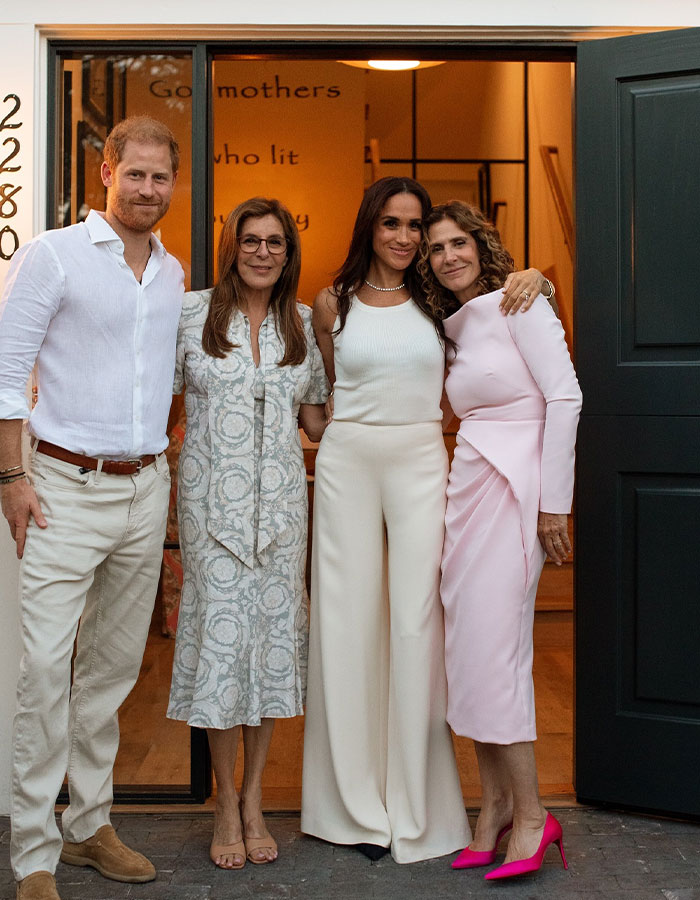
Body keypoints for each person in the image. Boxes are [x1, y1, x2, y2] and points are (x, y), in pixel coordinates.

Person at [301, 176, 545, 863]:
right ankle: (348, 806)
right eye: (392, 225)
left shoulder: (438, 302)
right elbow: (318, 400)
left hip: (420, 463)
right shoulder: (330, 304)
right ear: (368, 229)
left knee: (416, 624)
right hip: (346, 462)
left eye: (416, 226)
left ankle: (419, 804)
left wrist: (536, 280)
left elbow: (502, 309)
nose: (407, 239)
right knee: (345, 625)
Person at [0, 116, 183, 900]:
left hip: (145, 488)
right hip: (61, 490)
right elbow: (6, 372)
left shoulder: (172, 272)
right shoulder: (54, 255)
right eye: (134, 173)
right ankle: (34, 854)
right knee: (44, 669)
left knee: (110, 672)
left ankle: (89, 826)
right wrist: (10, 475)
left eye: (160, 177)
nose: (147, 189)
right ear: (105, 170)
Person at [420, 201, 582, 880]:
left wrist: (554, 506)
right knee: (469, 654)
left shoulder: (521, 302)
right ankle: (490, 811)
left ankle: (535, 814)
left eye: (459, 242)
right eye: (436, 249)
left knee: (501, 654)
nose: (448, 255)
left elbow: (565, 398)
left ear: (481, 246)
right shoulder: (450, 326)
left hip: (518, 492)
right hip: (469, 485)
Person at [167, 197, 328, 870]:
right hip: (212, 516)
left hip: (284, 517)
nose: (263, 252)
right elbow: (157, 403)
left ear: (289, 253)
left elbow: (318, 423)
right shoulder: (189, 314)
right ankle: (224, 800)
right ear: (231, 246)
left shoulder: (306, 324)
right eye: (251, 240)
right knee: (220, 654)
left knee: (266, 656)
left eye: (276, 243)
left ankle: (256, 797)